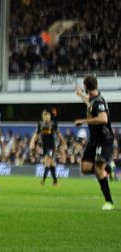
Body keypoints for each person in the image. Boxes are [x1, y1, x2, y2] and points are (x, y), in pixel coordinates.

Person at [74, 75, 115, 211]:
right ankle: (107, 169)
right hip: (94, 140)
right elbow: (89, 103)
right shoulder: (92, 100)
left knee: (98, 169)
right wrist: (80, 95)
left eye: (84, 86)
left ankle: (109, 201)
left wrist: (83, 121)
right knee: (84, 168)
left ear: (87, 86)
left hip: (104, 140)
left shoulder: (100, 102)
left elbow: (103, 118)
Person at [29, 109, 66, 185]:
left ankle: (43, 180)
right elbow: (36, 134)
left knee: (47, 161)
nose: (47, 117)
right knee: (51, 163)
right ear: (43, 117)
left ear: (50, 116)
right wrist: (32, 142)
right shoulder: (40, 124)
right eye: (45, 115)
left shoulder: (53, 124)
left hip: (51, 146)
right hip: (44, 146)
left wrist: (64, 143)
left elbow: (59, 134)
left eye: (48, 115)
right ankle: (55, 181)